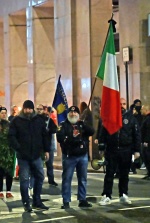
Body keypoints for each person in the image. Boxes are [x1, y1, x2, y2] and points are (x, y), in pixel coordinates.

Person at [8, 100, 50, 212]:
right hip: (23, 156)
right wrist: (18, 148)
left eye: (30, 109)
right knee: (25, 179)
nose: (28, 111)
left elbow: (45, 135)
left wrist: (46, 150)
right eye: (26, 109)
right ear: (23, 109)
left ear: (33, 109)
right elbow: (11, 136)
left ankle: (37, 200)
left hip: (36, 154)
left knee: (40, 176)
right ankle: (26, 202)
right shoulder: (16, 121)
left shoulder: (38, 120)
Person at [98, 98, 141, 205]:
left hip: (126, 150)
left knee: (124, 174)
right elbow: (103, 132)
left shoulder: (131, 118)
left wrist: (137, 150)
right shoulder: (110, 117)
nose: (122, 105)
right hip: (112, 150)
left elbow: (136, 135)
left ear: (126, 105)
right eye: (120, 104)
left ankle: (123, 194)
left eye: (124, 103)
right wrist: (101, 146)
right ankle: (106, 195)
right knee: (109, 173)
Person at [57, 105, 95, 209]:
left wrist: (83, 124)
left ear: (78, 115)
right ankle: (66, 201)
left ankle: (82, 199)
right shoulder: (63, 125)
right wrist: (71, 139)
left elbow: (92, 131)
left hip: (82, 156)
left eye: (75, 113)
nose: (73, 114)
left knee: (82, 179)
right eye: (71, 112)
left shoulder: (81, 124)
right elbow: (60, 137)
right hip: (69, 156)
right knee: (67, 179)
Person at [36, 104, 58, 186]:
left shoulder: (48, 119)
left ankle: (51, 179)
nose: (39, 110)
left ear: (44, 110)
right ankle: (39, 180)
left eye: (40, 109)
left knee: (49, 164)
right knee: (39, 165)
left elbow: (55, 129)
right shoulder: (34, 119)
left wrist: (49, 130)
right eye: (37, 109)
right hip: (38, 145)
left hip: (48, 145)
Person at [0, 107, 15, 199]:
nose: (4, 114)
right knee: (0, 172)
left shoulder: (10, 124)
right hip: (0, 152)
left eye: (5, 113)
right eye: (2, 113)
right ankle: (0, 191)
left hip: (9, 152)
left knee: (9, 172)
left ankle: (8, 191)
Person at [141, 105, 150, 179]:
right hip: (146, 141)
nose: (141, 110)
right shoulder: (146, 118)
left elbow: (148, 131)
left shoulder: (148, 119)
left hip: (147, 143)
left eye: (142, 109)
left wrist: (146, 141)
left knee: (148, 157)